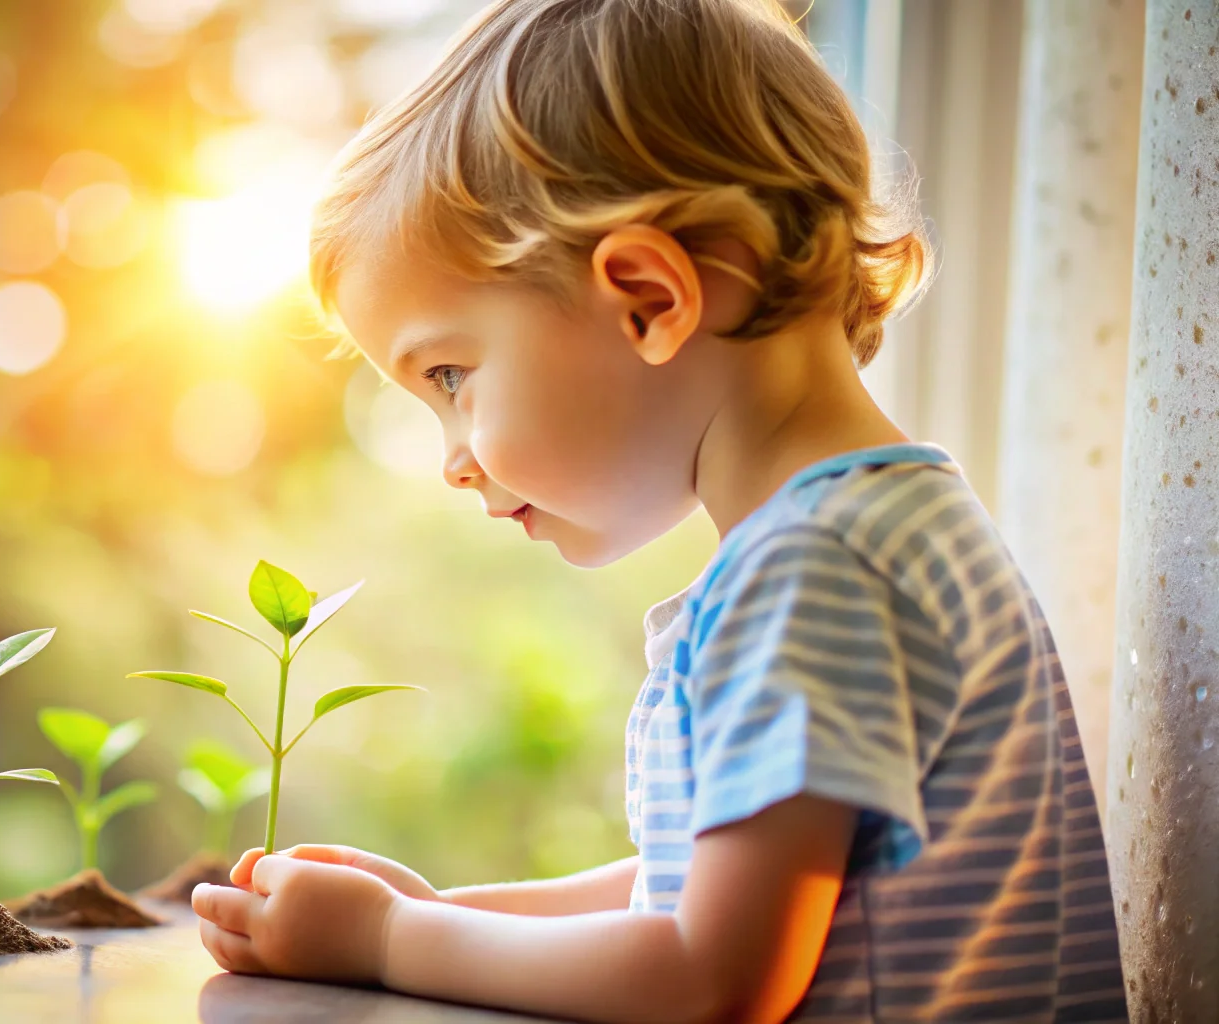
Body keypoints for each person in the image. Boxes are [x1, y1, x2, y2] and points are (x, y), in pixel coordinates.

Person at [187, 1, 1128, 1021]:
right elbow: (672, 889)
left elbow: (712, 975)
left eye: (450, 376)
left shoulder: (815, 570)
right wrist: (437, 910)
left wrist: (386, 940)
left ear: (646, 296)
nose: (451, 463)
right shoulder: (874, 532)